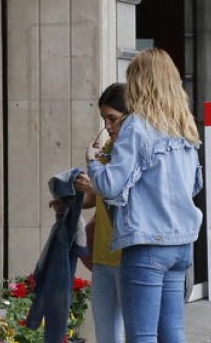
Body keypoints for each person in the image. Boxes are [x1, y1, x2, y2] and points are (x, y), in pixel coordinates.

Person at [81, 48, 203, 343]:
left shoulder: (137, 125)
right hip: (182, 241)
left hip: (147, 242)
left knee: (142, 336)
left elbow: (109, 185)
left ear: (139, 82)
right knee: (172, 333)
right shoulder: (184, 125)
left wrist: (94, 163)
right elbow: (194, 185)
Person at [72, 83, 127, 343]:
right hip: (103, 253)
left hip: (130, 255)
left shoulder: (133, 151)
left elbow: (122, 194)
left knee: (138, 332)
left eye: (113, 118)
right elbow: (94, 198)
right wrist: (70, 200)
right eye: (105, 119)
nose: (108, 126)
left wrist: (95, 179)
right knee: (106, 333)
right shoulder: (106, 149)